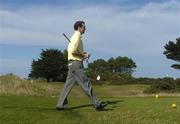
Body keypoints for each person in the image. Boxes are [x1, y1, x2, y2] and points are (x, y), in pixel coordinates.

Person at [56, 21, 108, 111]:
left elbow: (74, 51)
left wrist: (84, 53)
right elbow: (72, 51)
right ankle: (97, 104)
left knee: (67, 86)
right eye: (84, 27)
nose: (85, 28)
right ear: (79, 28)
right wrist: (84, 55)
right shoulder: (77, 36)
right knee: (86, 84)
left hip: (72, 64)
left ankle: (60, 105)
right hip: (76, 64)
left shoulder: (75, 37)